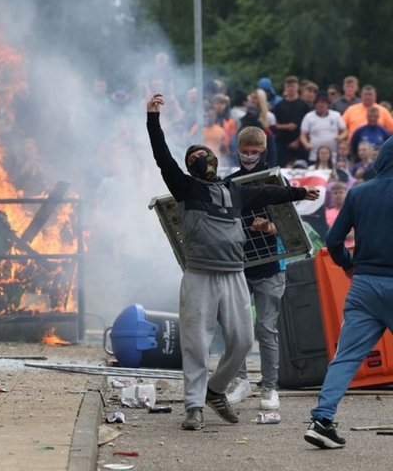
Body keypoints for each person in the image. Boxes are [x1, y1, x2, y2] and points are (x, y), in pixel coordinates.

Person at [146, 94, 320, 431]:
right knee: (196, 342)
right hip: (200, 275)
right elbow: (162, 157)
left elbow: (271, 193)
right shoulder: (186, 187)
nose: (199, 158)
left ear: (213, 158)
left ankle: (214, 390)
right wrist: (153, 120)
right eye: (193, 157)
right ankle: (194, 406)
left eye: (203, 154)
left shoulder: (233, 190)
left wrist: (300, 192)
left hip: (233, 275)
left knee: (241, 341)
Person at [304, 136, 393, 449]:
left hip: (364, 285)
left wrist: (348, 265)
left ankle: (322, 420)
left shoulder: (358, 193)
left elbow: (333, 241)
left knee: (346, 357)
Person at [225, 126, 290, 411]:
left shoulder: (275, 182)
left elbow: (289, 228)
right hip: (239, 266)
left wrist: (268, 227)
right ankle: (239, 381)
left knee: (266, 328)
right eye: (245, 151)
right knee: (237, 330)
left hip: (271, 267)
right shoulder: (229, 184)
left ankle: (270, 387)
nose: (249, 156)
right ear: (237, 149)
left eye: (254, 151)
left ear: (263, 150)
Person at [273, 75, 311, 167]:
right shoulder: (279, 106)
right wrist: (286, 126)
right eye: (288, 86)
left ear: (297, 87)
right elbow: (274, 125)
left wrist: (298, 141)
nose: (291, 88)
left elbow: (308, 126)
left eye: (293, 86)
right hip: (282, 143)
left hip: (300, 143)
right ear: (285, 87)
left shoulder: (304, 106)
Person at [300, 91, 347, 163]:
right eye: (319, 103)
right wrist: (306, 144)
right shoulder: (308, 116)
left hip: (333, 155)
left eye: (323, 103)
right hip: (314, 155)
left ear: (328, 104)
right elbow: (303, 135)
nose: (321, 105)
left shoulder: (336, 115)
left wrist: (340, 137)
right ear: (315, 104)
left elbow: (345, 131)